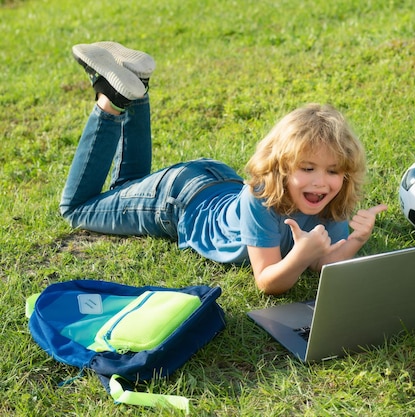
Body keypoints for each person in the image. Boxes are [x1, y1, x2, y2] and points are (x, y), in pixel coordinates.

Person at [60, 42, 387, 295]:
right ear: (281, 167)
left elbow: (322, 264)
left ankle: (136, 84)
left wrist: (356, 240)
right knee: (76, 208)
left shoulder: (334, 199)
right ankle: (113, 100)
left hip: (216, 183)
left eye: (332, 171)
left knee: (127, 186)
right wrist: (300, 255)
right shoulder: (260, 200)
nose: (321, 182)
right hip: (178, 201)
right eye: (308, 168)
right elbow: (269, 281)